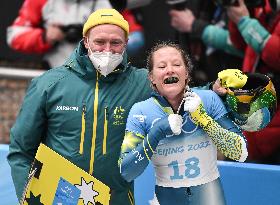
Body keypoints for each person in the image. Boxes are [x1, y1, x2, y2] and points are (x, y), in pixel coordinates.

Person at [7, 8, 152, 205]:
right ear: (86, 41)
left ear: (126, 44)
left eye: (115, 42)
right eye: (99, 42)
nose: (107, 50)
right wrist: (29, 197)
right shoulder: (49, 84)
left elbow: (181, 94)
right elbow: (21, 150)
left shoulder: (143, 82)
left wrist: (210, 90)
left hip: (116, 199)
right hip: (58, 199)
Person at [118, 42, 248, 205]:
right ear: (151, 77)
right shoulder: (141, 111)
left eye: (177, 64)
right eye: (161, 66)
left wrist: (204, 120)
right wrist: (156, 133)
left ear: (186, 72)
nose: (170, 69)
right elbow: (126, 171)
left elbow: (240, 153)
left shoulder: (208, 99)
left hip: (210, 196)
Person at [213, 0, 280, 164]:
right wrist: (235, 14)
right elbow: (240, 43)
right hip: (254, 114)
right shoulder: (266, 8)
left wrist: (245, 22)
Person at [6, 0, 146, 69]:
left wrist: (107, 40)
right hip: (57, 73)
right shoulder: (42, 2)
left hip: (103, 77)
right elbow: (14, 36)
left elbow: (135, 38)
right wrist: (44, 37)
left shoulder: (112, 2)